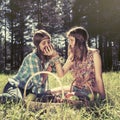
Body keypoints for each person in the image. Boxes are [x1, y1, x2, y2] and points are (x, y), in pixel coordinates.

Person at [0, 29, 61, 103]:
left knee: (43, 99)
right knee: (17, 100)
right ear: (38, 46)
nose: (47, 45)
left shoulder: (45, 59)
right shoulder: (33, 58)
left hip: (27, 90)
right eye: (44, 43)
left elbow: (41, 87)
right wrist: (50, 65)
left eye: (48, 42)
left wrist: (53, 57)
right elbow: (38, 83)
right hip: (16, 87)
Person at [56, 26, 106, 102]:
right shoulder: (72, 56)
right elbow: (61, 74)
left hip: (89, 91)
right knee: (50, 92)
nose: (70, 43)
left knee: (70, 98)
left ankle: (71, 98)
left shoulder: (94, 54)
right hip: (75, 88)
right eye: (69, 40)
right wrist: (55, 58)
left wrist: (103, 98)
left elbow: (99, 78)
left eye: (71, 40)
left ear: (80, 41)